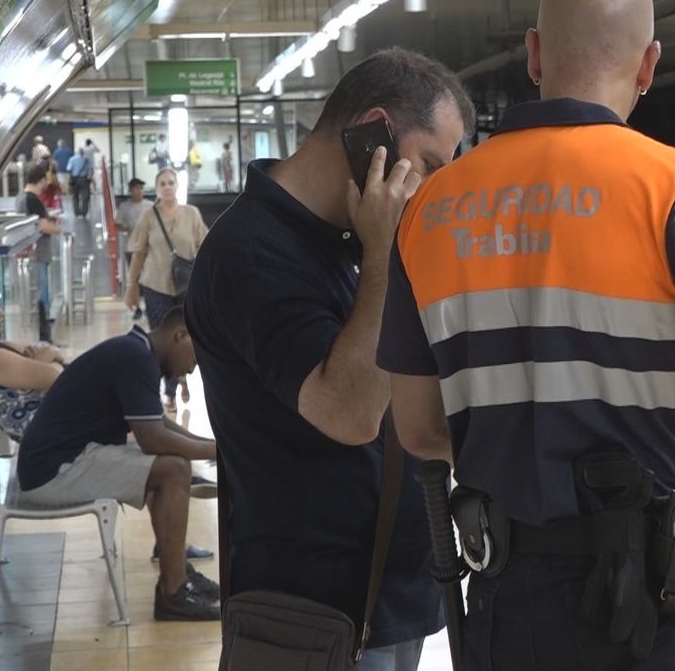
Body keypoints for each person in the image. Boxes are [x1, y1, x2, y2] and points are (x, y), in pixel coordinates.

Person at [377, 0, 675, 670]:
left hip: (506, 603)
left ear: (534, 54)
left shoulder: (429, 209)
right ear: (648, 65)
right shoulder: (674, 187)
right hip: (646, 607)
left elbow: (420, 430)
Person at [186, 48, 473, 670]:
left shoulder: (347, 238)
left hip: (388, 595)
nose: (430, 189)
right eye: (428, 164)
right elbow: (350, 413)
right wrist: (385, 253)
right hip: (311, 613)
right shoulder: (251, 251)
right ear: (375, 132)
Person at [15, 307, 220, 620]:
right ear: (181, 336)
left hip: (56, 462)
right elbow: (153, 439)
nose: (191, 369)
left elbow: (158, 423)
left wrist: (214, 446)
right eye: (195, 358)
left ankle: (177, 567)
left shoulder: (135, 351)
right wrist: (216, 452)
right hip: (52, 471)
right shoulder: (136, 358)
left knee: (166, 466)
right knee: (174, 470)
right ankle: (174, 593)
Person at [126, 168, 207, 411]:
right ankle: (170, 389)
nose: (167, 187)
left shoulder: (191, 214)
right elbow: (138, 253)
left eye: (171, 182)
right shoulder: (148, 216)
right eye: (162, 183)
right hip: (156, 286)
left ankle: (183, 376)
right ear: (157, 188)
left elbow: (205, 247)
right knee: (162, 338)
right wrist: (131, 287)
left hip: (185, 286)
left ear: (177, 186)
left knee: (187, 334)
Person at [0, 281, 65, 442]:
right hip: (52, 438)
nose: (1, 313)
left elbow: (54, 352)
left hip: (56, 428)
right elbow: (57, 377)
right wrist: (46, 359)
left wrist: (47, 357)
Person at [17, 163, 62, 342]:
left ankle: (43, 336)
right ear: (41, 180)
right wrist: (56, 228)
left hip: (31, 254)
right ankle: (44, 337)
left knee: (38, 294)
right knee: (41, 295)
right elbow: (43, 226)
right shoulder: (33, 200)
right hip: (38, 254)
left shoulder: (21, 198)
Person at [67, 147, 93, 217]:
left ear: (77, 152)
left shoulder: (72, 159)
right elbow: (90, 170)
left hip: (75, 179)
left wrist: (71, 177)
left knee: (75, 196)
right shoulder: (87, 160)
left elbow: (69, 169)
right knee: (85, 196)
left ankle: (77, 212)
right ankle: (84, 212)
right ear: (83, 153)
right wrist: (89, 177)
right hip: (84, 179)